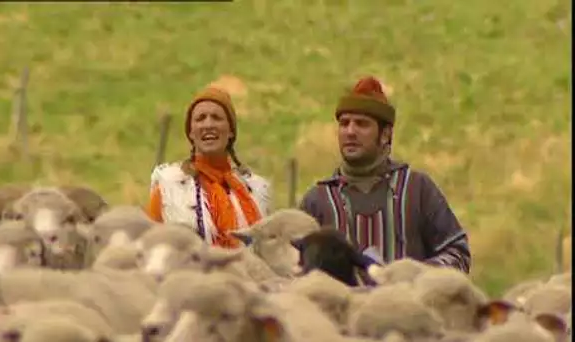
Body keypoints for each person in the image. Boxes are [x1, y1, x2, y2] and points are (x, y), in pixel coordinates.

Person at [299, 76, 471, 273]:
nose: (350, 132)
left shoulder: (417, 189)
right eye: (344, 123)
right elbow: (294, 268)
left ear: (386, 134)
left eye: (362, 124)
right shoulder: (317, 200)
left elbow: (458, 254)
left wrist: (414, 275)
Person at [147, 86, 272, 249]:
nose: (208, 124)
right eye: (200, 118)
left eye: (216, 117)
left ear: (231, 131)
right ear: (191, 133)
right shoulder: (169, 190)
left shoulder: (255, 193)